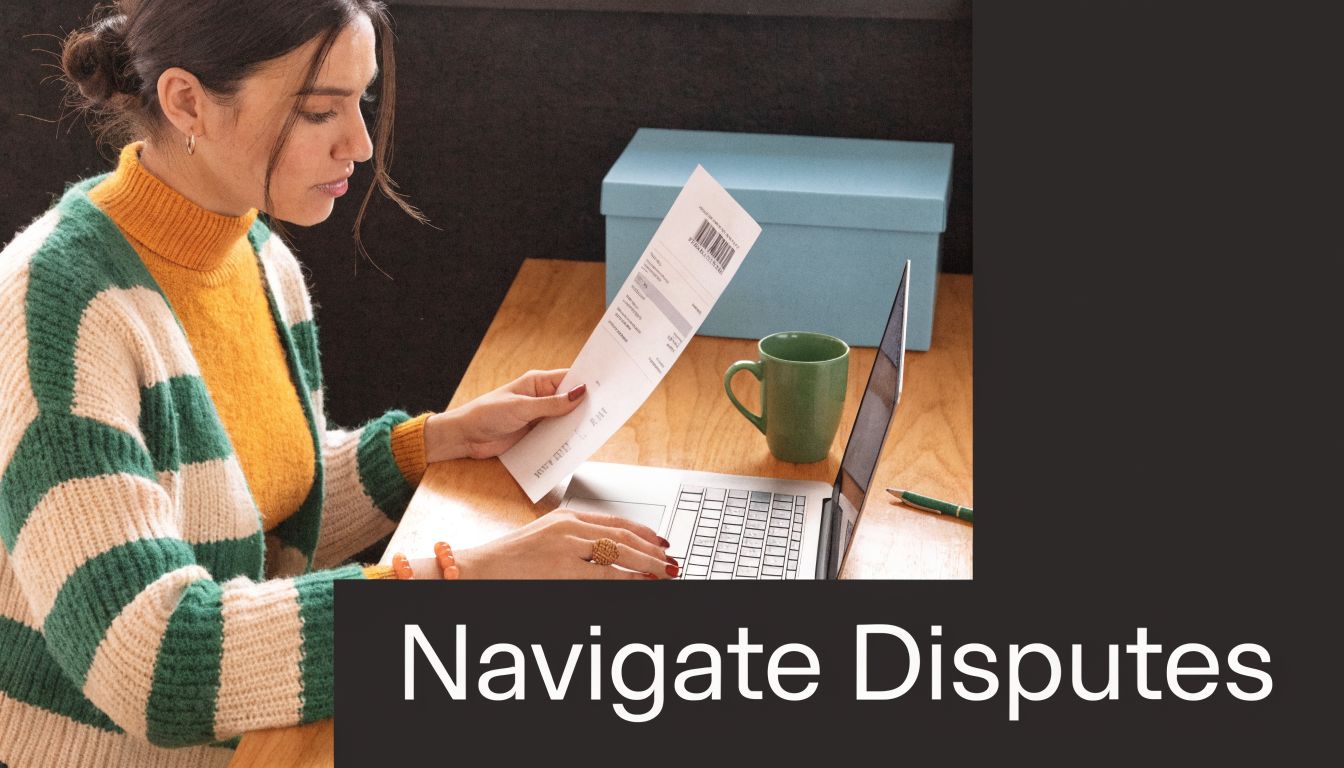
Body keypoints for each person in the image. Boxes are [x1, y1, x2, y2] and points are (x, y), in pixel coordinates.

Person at [0, 1, 677, 766]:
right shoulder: (56, 305)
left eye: (362, 100)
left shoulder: (259, 258)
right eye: (319, 111)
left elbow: (249, 506)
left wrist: (430, 444)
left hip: (260, 736)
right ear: (187, 102)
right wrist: (471, 580)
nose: (358, 143)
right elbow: (157, 663)